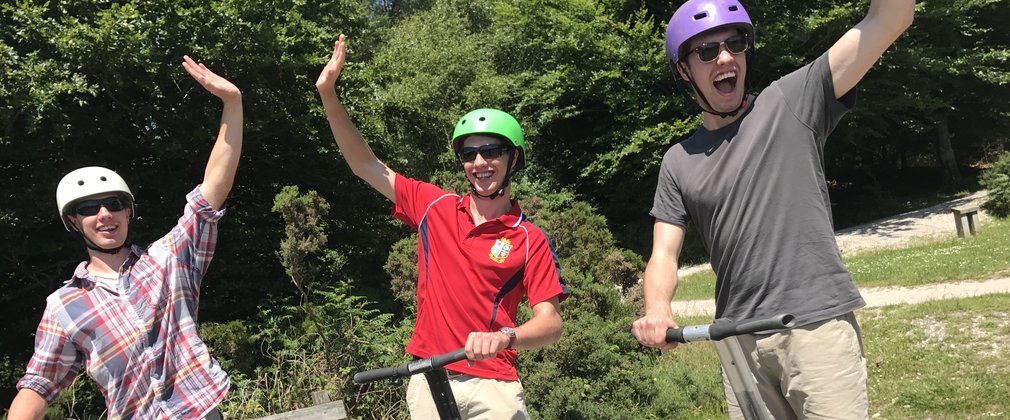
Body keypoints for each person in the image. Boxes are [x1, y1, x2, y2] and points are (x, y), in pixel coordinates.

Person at [632, 0, 914, 418]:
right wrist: (657, 309)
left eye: (735, 42)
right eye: (706, 51)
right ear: (684, 71)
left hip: (815, 327)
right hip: (737, 341)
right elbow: (663, 255)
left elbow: (891, 19)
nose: (725, 56)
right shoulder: (678, 160)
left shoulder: (791, 101)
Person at [316, 35, 569, 419]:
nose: (479, 162)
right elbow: (365, 165)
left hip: (494, 384)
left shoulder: (528, 238)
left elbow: (550, 325)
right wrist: (328, 95)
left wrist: (506, 336)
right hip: (428, 377)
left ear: (513, 157)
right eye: (469, 153)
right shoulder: (434, 206)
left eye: (491, 151)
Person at [8, 56, 243, 420]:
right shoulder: (63, 305)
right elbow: (39, 384)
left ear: (128, 210)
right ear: (73, 220)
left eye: (114, 203)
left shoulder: (169, 260)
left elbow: (212, 189)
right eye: (88, 208)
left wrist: (232, 103)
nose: (104, 215)